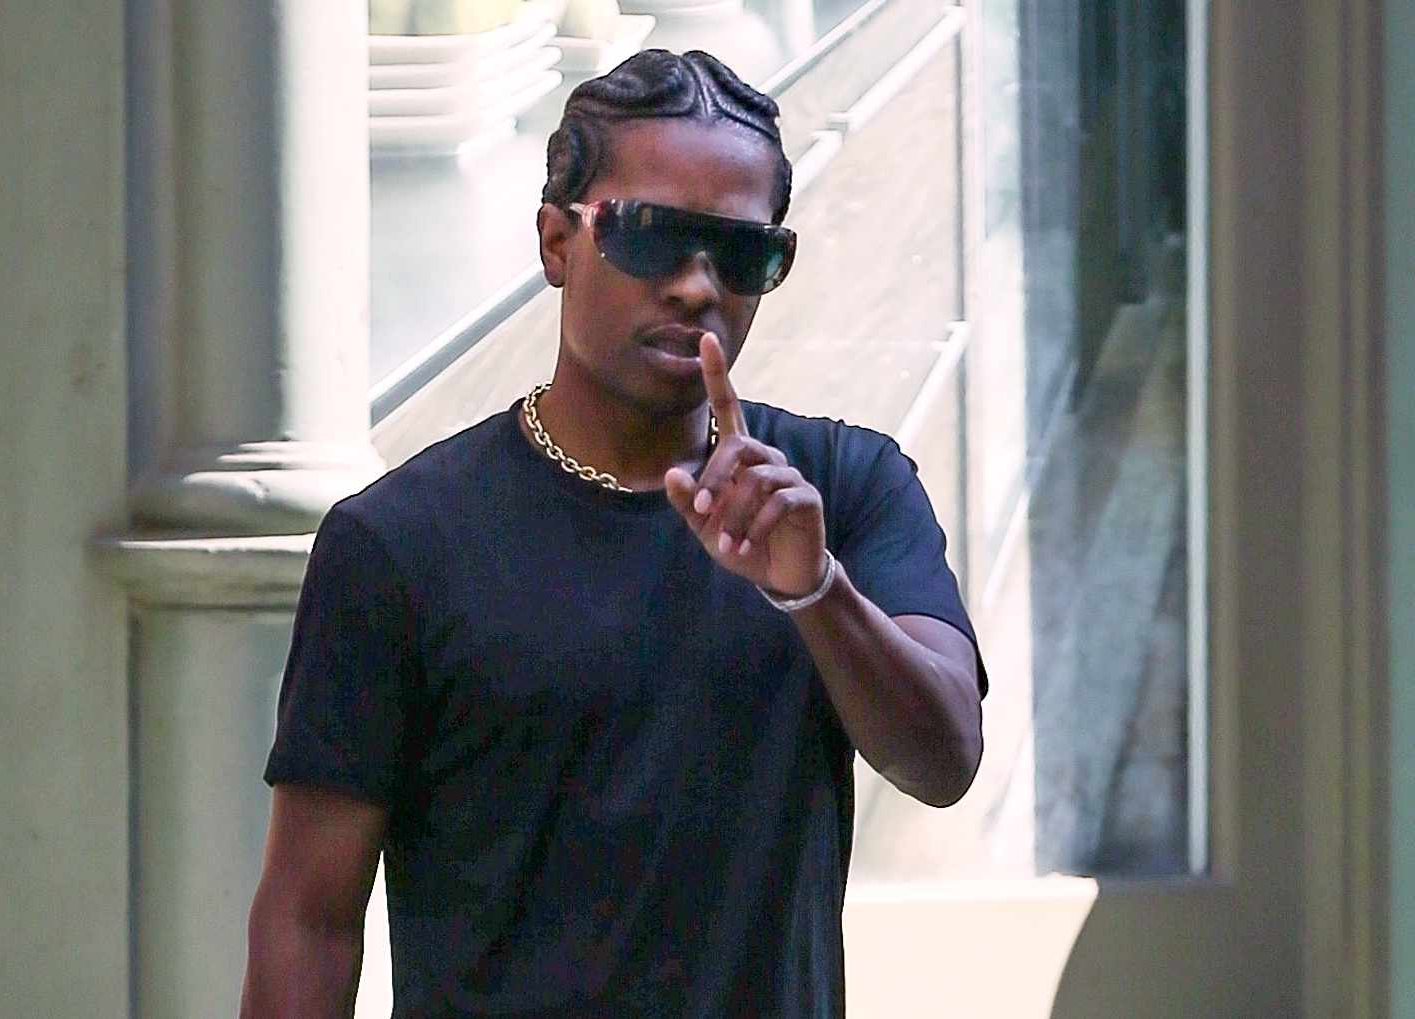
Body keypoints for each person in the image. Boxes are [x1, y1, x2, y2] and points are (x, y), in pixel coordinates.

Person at [241, 48, 987, 1018]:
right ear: (556, 242)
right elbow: (309, 914)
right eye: (650, 238)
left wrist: (814, 590)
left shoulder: (844, 488)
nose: (695, 286)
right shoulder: (399, 542)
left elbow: (943, 761)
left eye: (741, 254)